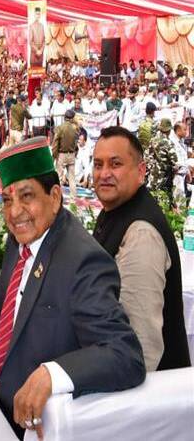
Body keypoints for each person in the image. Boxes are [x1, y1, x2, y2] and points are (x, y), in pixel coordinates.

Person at [0, 137, 145, 438]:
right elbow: (4, 295)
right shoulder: (23, 236)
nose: (14, 212)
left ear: (55, 197)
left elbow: (125, 353)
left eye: (27, 196)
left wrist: (53, 373)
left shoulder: (83, 261)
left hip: (29, 416)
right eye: (7, 200)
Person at [92, 126, 190, 371]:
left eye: (115, 164)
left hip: (144, 386)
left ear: (141, 171)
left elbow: (140, 347)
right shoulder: (116, 211)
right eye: (98, 165)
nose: (104, 174)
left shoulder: (141, 234)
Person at [145, 118, 178, 202]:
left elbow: (147, 156)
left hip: (153, 171)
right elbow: (174, 160)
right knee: (163, 196)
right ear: (169, 130)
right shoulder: (168, 142)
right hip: (164, 173)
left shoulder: (153, 140)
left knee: (152, 192)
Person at [52, 109, 79, 199]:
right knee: (72, 178)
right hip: (71, 154)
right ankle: (73, 197)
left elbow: (55, 143)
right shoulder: (75, 129)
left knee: (59, 177)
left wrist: (54, 155)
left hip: (62, 154)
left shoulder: (60, 128)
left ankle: (57, 197)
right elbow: (76, 143)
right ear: (72, 118)